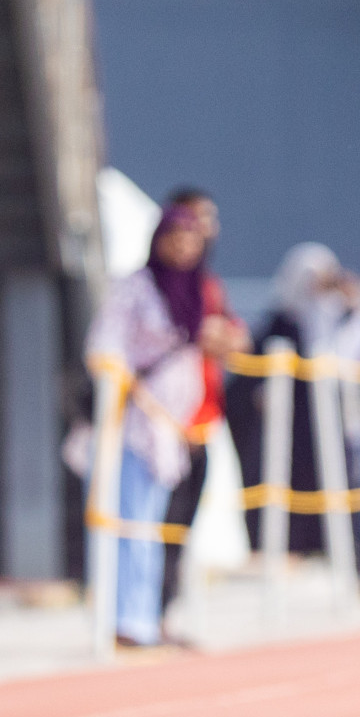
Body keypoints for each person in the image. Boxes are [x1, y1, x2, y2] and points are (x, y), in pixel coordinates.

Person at [85, 205, 208, 647]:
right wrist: (132, 389)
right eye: (174, 238)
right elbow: (105, 347)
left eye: (191, 240)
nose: (182, 248)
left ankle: (145, 616)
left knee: (153, 528)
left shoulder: (194, 293)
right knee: (129, 525)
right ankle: (123, 621)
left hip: (172, 428)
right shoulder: (135, 288)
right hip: (134, 425)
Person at [154, 190, 248, 635]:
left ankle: (164, 612)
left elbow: (235, 334)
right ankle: (142, 616)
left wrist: (218, 335)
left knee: (182, 525)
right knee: (154, 525)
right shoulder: (148, 284)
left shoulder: (208, 286)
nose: (205, 229)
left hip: (201, 421)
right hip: (158, 424)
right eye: (195, 219)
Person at [226, 243, 352, 556]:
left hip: (319, 422)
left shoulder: (334, 318)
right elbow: (248, 378)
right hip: (283, 424)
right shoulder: (278, 322)